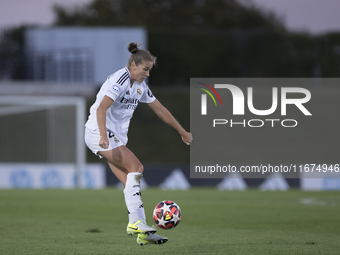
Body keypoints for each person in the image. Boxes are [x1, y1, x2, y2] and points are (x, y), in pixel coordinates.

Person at [84, 42, 192, 246]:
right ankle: (135, 224)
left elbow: (160, 111)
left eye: (149, 70)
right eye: (145, 69)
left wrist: (182, 131)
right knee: (136, 167)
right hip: (99, 132)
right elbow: (101, 109)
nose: (147, 74)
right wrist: (103, 136)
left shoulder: (140, 88)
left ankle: (142, 231)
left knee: (129, 183)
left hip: (112, 136)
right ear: (133, 66)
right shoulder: (121, 79)